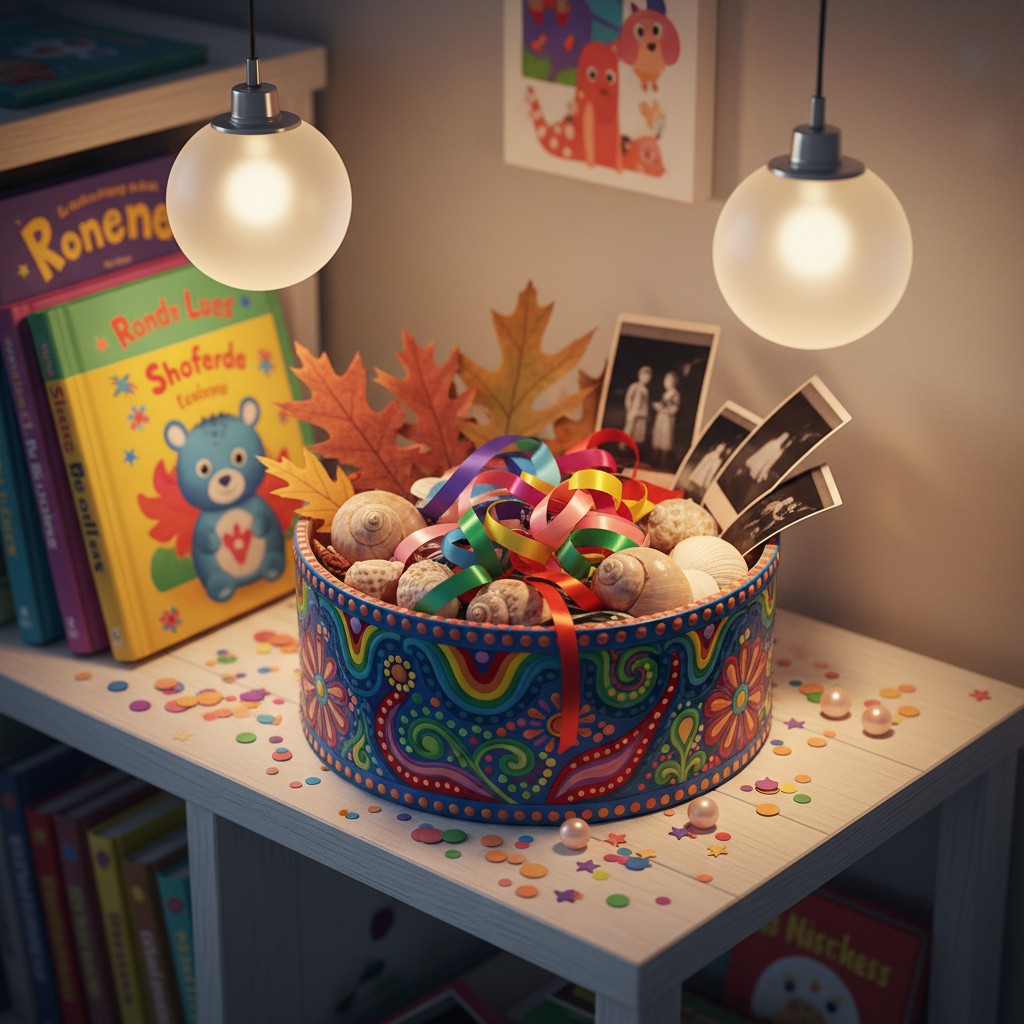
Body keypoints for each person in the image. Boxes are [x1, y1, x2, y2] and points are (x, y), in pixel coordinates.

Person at [651, 370, 680, 468]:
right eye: (665, 381)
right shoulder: (666, 393)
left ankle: (663, 460)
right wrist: (659, 406)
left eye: (669, 381)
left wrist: (663, 409)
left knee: (665, 437)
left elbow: (674, 409)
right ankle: (655, 458)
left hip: (667, 419)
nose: (666, 383)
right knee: (658, 435)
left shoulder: (675, 394)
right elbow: (663, 404)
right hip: (661, 418)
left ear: (674, 382)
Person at [623, 365, 652, 445]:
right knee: (629, 429)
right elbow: (628, 398)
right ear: (640, 376)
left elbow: (646, 402)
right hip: (633, 411)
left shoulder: (646, 390)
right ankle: (623, 447)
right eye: (645, 376)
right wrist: (629, 409)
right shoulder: (634, 386)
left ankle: (634, 447)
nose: (646, 379)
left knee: (639, 431)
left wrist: (646, 412)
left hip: (642, 413)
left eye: (648, 378)